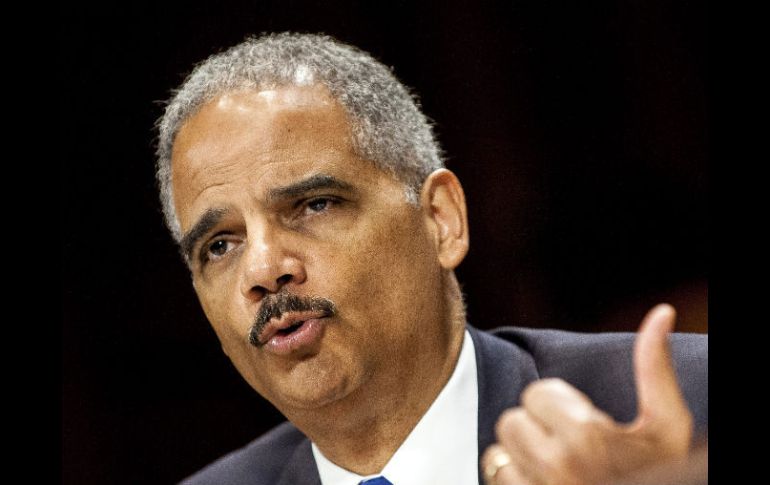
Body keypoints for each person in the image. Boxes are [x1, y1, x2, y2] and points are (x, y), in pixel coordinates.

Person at [155, 32, 707, 485]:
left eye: (314, 205)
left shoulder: (688, 403)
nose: (262, 270)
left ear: (442, 220)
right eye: (219, 246)